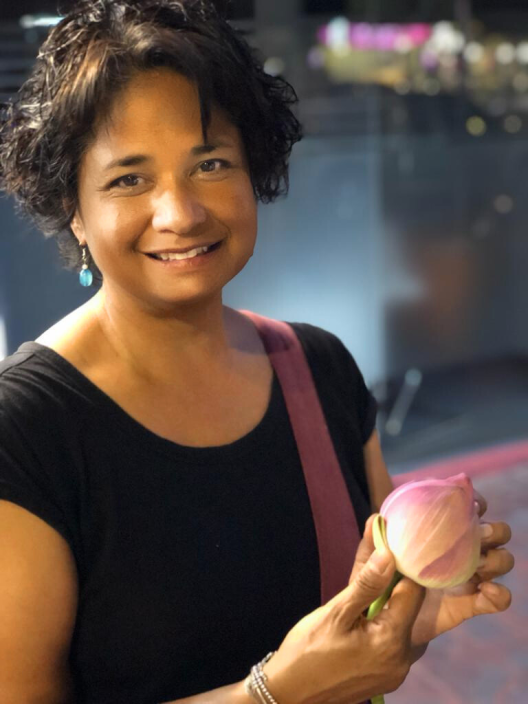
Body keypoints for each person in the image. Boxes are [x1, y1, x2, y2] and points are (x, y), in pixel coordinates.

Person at [0, 1, 514, 703]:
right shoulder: (25, 433)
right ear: (74, 210)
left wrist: (408, 612)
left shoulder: (319, 370)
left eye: (210, 163)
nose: (180, 213)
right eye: (129, 179)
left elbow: (358, 611)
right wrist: (273, 694)